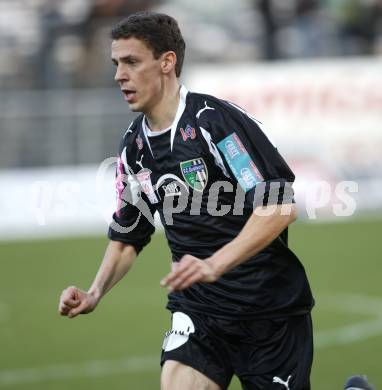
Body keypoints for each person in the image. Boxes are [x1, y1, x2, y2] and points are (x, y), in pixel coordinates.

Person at [58, 11, 314, 390]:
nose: (119, 75)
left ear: (167, 62)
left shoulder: (214, 122)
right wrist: (95, 292)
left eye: (131, 62)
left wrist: (214, 264)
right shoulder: (133, 148)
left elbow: (278, 205)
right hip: (198, 312)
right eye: (116, 64)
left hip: (268, 310)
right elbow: (130, 233)